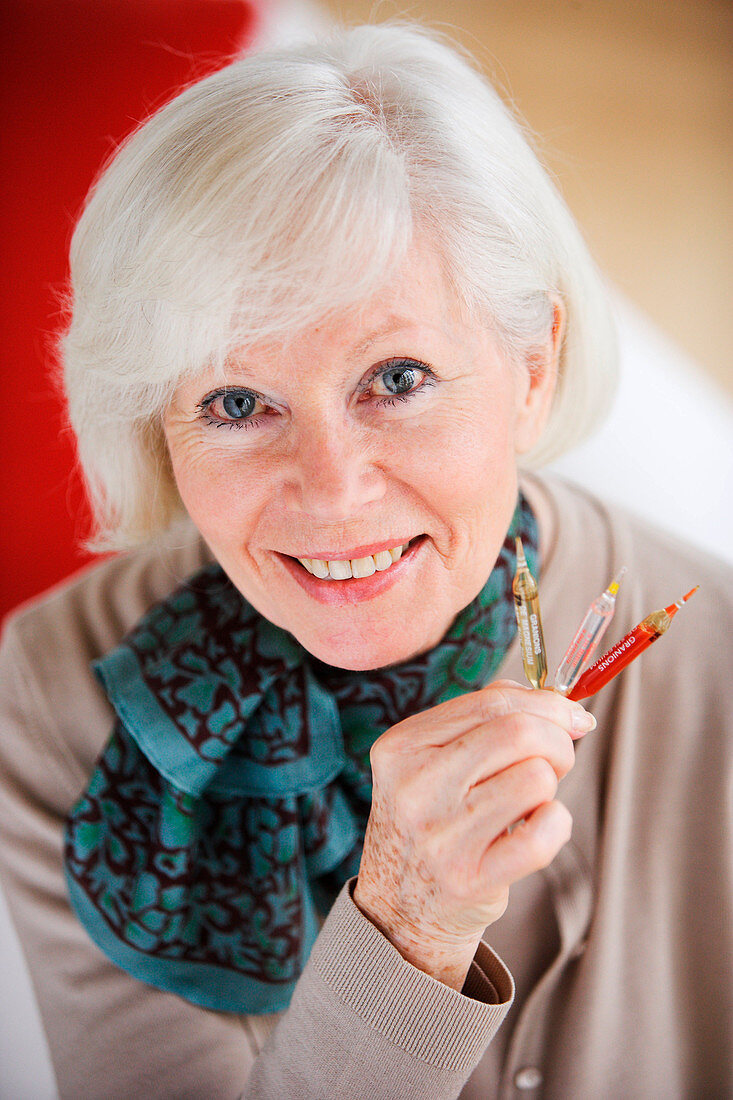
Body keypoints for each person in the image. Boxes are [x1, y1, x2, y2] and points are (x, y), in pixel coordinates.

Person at [0, 22, 730, 1100]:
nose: (333, 491)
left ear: (533, 369)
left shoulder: (718, 660)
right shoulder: (54, 694)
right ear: (158, 429)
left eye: (397, 377)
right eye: (236, 402)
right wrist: (408, 921)